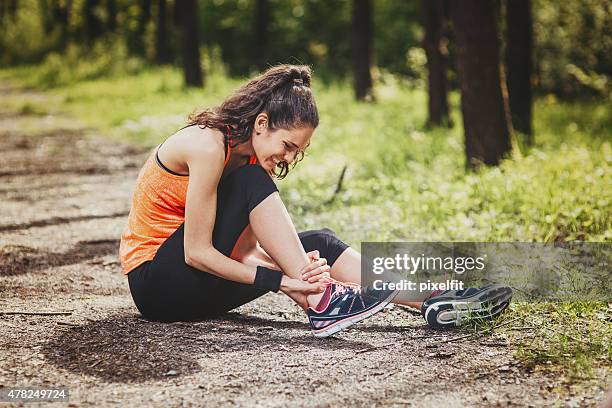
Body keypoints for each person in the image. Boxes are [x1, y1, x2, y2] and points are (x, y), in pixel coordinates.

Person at [119, 64, 512, 337]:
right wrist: (284, 281)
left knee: (319, 243)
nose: (289, 158)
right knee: (257, 189)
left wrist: (303, 274)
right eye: (288, 145)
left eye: (297, 152)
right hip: (158, 285)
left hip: (195, 288)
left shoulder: (250, 158)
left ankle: (432, 297)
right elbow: (197, 254)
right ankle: (323, 303)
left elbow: (243, 252)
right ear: (261, 123)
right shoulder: (207, 146)